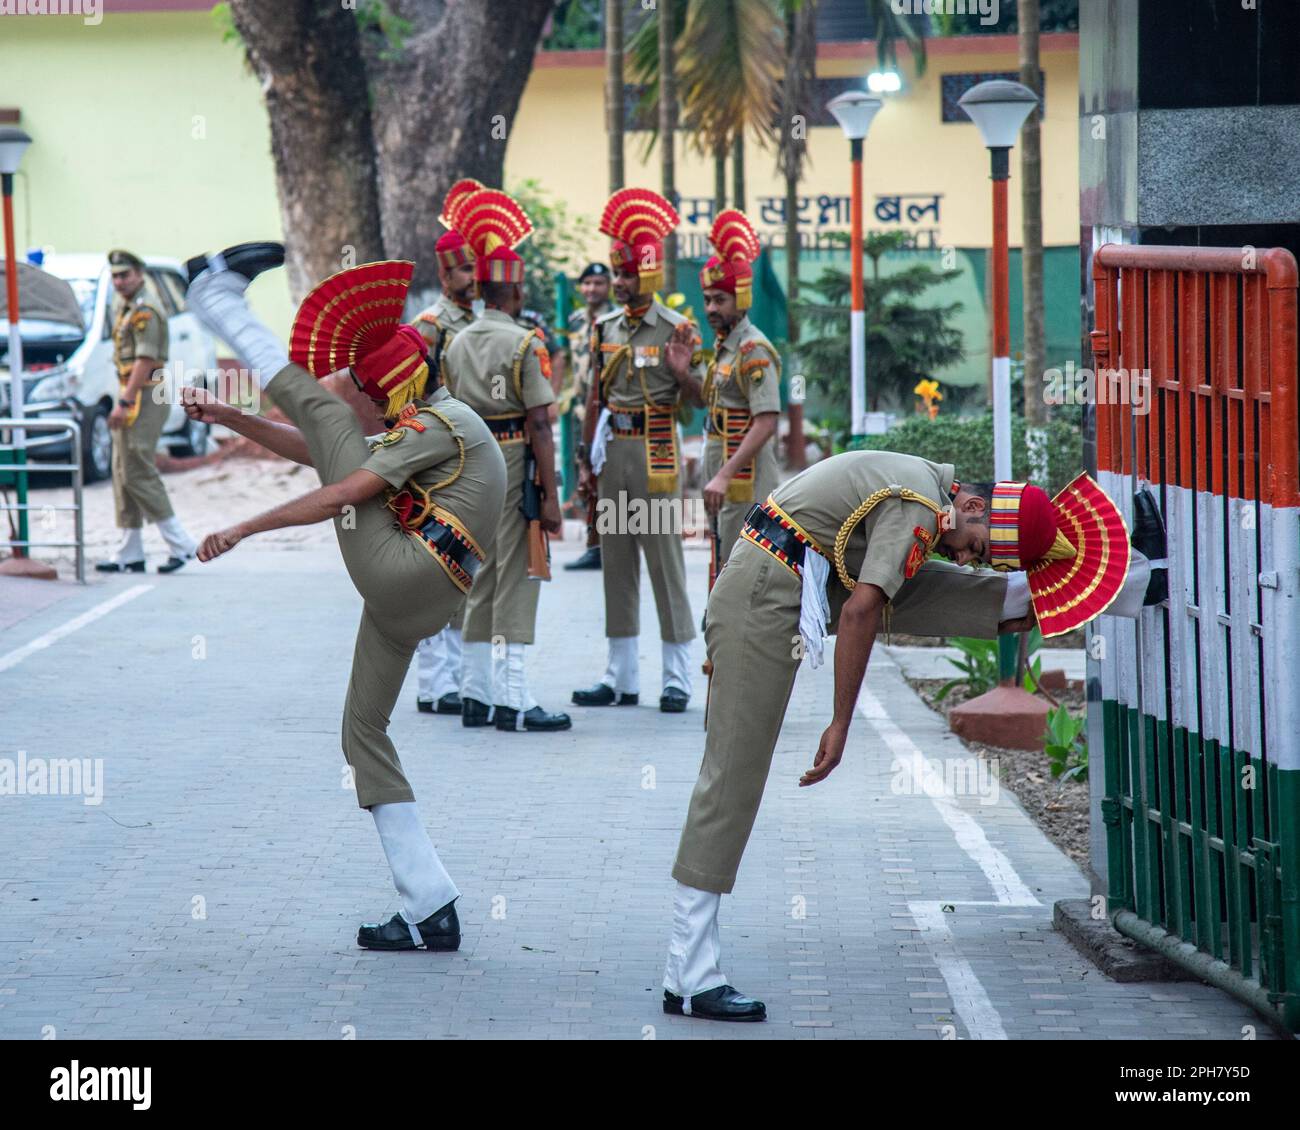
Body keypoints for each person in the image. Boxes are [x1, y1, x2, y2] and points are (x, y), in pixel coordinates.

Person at [661, 455, 1134, 1020]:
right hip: (762, 594)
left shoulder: (933, 495)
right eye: (975, 547)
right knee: (733, 775)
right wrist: (840, 724)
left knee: (964, 594)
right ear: (974, 507)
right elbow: (862, 612)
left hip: (797, 577)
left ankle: (1136, 581)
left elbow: (904, 590)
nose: (963, 558)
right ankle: (688, 975)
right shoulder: (919, 504)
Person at [183, 244, 507, 953]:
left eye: (362, 384)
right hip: (417, 592)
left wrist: (244, 526)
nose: (354, 394)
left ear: (388, 384)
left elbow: (341, 487)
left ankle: (216, 300)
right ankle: (430, 906)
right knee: (362, 734)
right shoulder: (432, 417)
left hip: (407, 573)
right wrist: (230, 416)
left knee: (329, 429)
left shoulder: (433, 425)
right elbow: (331, 455)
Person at [440, 187, 570, 732]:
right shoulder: (525, 343)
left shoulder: (456, 341)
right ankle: (513, 701)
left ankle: (474, 695)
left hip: (468, 462)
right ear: (512, 290)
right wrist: (550, 494)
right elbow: (540, 421)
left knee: (477, 572)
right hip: (515, 457)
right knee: (517, 574)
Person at [572, 188, 705, 714]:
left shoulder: (677, 330)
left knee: (666, 564)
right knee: (617, 562)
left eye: (627, 275)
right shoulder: (603, 330)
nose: (619, 283)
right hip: (613, 453)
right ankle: (620, 677)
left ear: (647, 275)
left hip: (656, 452)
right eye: (617, 274)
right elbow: (592, 397)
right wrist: (585, 461)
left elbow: (700, 405)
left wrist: (682, 373)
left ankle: (677, 679)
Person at [408, 178, 483, 717]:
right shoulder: (430, 326)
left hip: (472, 457)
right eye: (461, 270)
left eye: (475, 269)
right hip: (438, 458)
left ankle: (452, 676)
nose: (471, 279)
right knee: (435, 567)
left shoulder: (484, 321)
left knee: (464, 567)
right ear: (443, 274)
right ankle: (433, 680)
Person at [94, 249, 199, 574]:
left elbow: (145, 360)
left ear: (140, 274)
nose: (119, 281)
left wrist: (124, 401)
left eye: (125, 274)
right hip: (132, 391)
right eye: (115, 276)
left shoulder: (146, 310)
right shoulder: (125, 306)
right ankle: (130, 551)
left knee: (138, 469)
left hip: (146, 394)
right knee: (122, 472)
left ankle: (182, 545)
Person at [697, 210, 781, 577]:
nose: (711, 309)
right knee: (723, 560)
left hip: (742, 480)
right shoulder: (725, 346)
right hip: (726, 476)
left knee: (740, 569)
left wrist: (724, 475)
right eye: (708, 300)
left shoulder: (752, 350)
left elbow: (766, 422)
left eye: (720, 300)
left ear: (741, 300)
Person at [558, 262, 614, 572]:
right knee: (584, 478)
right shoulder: (576, 322)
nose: (592, 289)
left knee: (604, 478)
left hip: (606, 411)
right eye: (587, 283)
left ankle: (607, 543)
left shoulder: (614, 321)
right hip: (581, 409)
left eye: (598, 283)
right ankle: (593, 544)